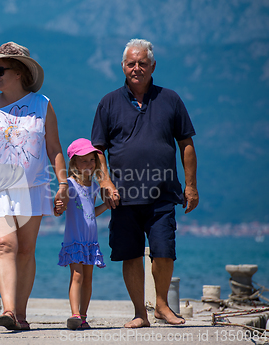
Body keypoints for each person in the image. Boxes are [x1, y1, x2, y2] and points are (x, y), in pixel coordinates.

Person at [91, 39, 199, 328]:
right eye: (131, 63)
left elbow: (186, 143)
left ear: (152, 66)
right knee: (131, 254)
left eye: (142, 63)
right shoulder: (109, 102)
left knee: (164, 251)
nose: (136, 68)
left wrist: (191, 186)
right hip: (123, 196)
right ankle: (140, 312)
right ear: (123, 67)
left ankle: (162, 306)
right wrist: (105, 180)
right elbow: (97, 149)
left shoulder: (171, 99)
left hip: (163, 193)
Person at [0, 42, 68, 330]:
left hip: (33, 188)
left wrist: (62, 183)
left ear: (20, 72)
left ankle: (20, 314)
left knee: (25, 250)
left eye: (0, 70)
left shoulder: (43, 105)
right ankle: (8, 309)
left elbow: (54, 148)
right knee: (4, 245)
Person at [56, 138, 114, 330]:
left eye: (91, 160)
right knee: (77, 276)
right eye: (83, 160)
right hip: (75, 239)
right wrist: (58, 206)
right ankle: (74, 314)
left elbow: (90, 212)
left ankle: (83, 316)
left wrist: (106, 206)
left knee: (88, 278)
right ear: (73, 163)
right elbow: (61, 206)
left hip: (90, 241)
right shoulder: (70, 185)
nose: (88, 164)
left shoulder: (93, 186)